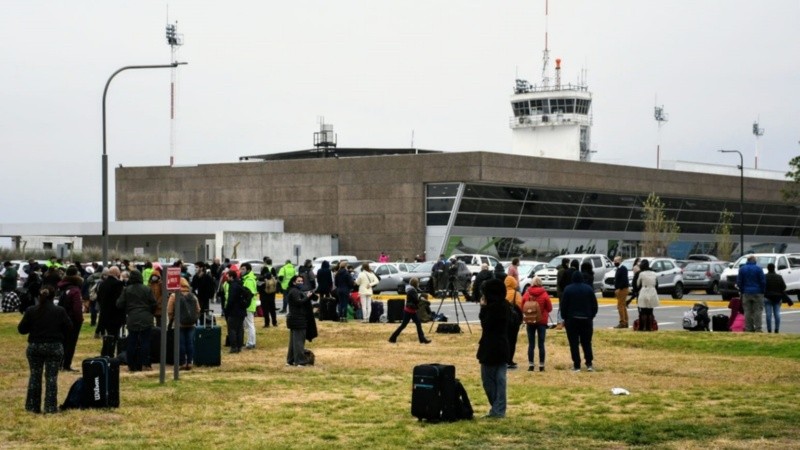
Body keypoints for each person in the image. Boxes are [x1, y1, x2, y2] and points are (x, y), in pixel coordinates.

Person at [18, 285, 72, 414]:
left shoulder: (31, 310)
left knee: (35, 376)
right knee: (51, 377)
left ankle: (32, 406)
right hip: (54, 346)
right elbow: (69, 327)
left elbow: (22, 329)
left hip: (35, 346)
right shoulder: (59, 311)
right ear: (54, 296)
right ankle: (50, 407)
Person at [476, 278, 510, 418]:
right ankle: (498, 408)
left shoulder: (493, 309)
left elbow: (486, 324)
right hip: (501, 346)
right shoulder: (505, 306)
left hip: (491, 347)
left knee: (489, 380)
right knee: (499, 380)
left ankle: (497, 409)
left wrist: (483, 308)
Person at [116, 270, 157, 372]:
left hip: (132, 317)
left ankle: (131, 365)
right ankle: (146, 364)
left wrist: (128, 309)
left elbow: (119, 304)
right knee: (145, 342)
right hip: (146, 317)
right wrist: (150, 312)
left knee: (132, 342)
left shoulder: (127, 290)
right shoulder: (147, 289)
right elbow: (154, 303)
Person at [560, 271, 598, 372]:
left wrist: (564, 318)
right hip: (586, 320)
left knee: (574, 343)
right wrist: (591, 316)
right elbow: (595, 305)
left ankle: (577, 365)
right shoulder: (588, 289)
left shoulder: (568, 289)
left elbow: (563, 306)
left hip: (572, 320)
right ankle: (589, 363)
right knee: (586, 342)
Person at [168, 277, 201, 370]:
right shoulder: (193, 296)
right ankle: (190, 362)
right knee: (190, 343)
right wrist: (194, 318)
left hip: (179, 323)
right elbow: (198, 309)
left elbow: (170, 310)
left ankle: (182, 362)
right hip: (191, 323)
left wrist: (172, 320)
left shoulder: (174, 296)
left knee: (181, 343)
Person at [521, 276, 552, 372]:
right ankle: (541, 365)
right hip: (542, 321)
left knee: (531, 344)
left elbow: (522, 306)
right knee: (541, 344)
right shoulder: (544, 294)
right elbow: (550, 308)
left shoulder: (527, 293)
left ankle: (531, 364)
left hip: (530, 320)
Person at [388, 278, 431, 344]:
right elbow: (416, 301)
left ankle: (422, 339)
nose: (418, 284)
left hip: (410, 310)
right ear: (415, 284)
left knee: (415, 324)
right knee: (405, 325)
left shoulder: (411, 289)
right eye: (418, 283)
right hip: (409, 310)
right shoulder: (412, 291)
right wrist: (421, 299)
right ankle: (392, 337)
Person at [57, 266, 83, 372]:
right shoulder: (75, 290)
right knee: (71, 343)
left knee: (62, 342)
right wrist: (80, 319)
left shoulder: (63, 287)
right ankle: (66, 365)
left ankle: (59, 363)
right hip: (72, 319)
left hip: (62, 318)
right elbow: (77, 307)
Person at [286, 275, 314, 366]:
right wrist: (307, 297)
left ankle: (291, 360)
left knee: (293, 342)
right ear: (294, 282)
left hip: (294, 319)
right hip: (298, 319)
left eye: (302, 281)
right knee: (299, 342)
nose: (301, 283)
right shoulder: (295, 292)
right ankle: (300, 361)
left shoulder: (294, 291)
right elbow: (299, 302)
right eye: (298, 281)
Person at [737, 255, 766, 332]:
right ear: (754, 260)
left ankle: (749, 328)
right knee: (758, 311)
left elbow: (739, 282)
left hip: (746, 292)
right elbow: (763, 281)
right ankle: (758, 328)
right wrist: (762, 291)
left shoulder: (742, 269)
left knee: (747, 311)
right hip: (758, 292)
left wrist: (742, 290)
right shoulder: (759, 269)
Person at [223, 271, 249, 353]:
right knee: (240, 329)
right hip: (241, 310)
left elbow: (231, 300)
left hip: (234, 311)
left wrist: (226, 309)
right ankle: (239, 346)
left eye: (228, 277)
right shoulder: (240, 284)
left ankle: (234, 347)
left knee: (232, 329)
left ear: (231, 277)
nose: (227, 278)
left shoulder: (233, 286)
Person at [96, 266, 125, 340]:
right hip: (115, 314)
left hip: (104, 313)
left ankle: (107, 350)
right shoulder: (118, 284)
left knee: (108, 335)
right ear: (117, 273)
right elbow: (120, 300)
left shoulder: (102, 284)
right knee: (115, 335)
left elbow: (98, 298)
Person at [635, 259, 660, 331]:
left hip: (644, 291)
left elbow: (637, 284)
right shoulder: (654, 273)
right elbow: (657, 284)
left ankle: (644, 327)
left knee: (643, 311)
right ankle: (651, 327)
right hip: (652, 291)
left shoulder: (641, 274)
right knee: (650, 311)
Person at [504, 274, 522, 370]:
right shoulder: (517, 294)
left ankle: (504, 359)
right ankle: (510, 359)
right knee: (512, 340)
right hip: (514, 321)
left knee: (505, 339)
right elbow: (520, 306)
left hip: (505, 320)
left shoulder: (503, 293)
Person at [764, 263, 787, 333]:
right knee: (777, 314)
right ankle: (776, 329)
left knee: (768, 314)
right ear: (774, 268)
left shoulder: (765, 276)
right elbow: (784, 287)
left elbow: (762, 286)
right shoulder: (779, 277)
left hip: (767, 297)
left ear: (768, 268)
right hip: (777, 297)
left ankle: (769, 329)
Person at [240, 263, 259, 349]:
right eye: (241, 269)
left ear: (248, 270)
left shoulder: (249, 280)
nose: (241, 271)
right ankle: (249, 342)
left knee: (250, 324)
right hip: (248, 305)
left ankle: (251, 343)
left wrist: (245, 303)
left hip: (248, 305)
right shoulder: (247, 279)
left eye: (243, 269)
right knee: (247, 325)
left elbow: (249, 294)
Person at [259, 258, 278, 328]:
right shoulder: (273, 268)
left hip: (264, 291)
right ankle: (274, 322)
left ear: (265, 262)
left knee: (265, 308)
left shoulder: (264, 268)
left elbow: (261, 279)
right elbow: (275, 278)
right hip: (272, 291)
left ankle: (267, 323)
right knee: (272, 308)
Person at [613, 256, 630, 329]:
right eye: (614, 261)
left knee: (620, 306)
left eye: (616, 261)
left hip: (622, 289)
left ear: (620, 261)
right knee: (623, 306)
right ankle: (625, 321)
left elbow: (624, 280)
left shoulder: (623, 269)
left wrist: (619, 288)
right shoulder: (619, 269)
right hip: (620, 290)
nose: (615, 262)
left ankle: (622, 322)